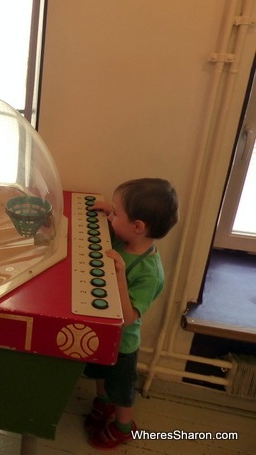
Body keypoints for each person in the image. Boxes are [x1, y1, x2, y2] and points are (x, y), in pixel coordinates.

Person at [83, 178, 179, 449]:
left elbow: (127, 318)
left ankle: (124, 426)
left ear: (137, 226)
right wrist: (106, 212)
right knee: (100, 373)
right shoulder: (124, 239)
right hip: (104, 333)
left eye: (116, 213)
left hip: (124, 344)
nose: (111, 216)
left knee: (121, 391)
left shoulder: (150, 272)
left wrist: (120, 276)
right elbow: (113, 232)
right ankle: (103, 403)